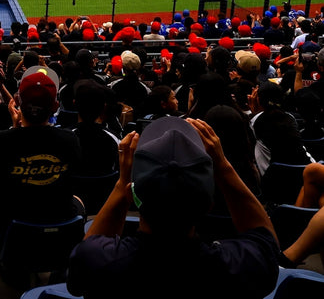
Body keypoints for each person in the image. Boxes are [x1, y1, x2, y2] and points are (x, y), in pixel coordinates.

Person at [67, 119, 280, 298]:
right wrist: (223, 166)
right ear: (209, 203)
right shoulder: (241, 267)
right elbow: (265, 240)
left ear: (132, 197)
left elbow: (83, 264)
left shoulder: (98, 262)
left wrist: (123, 183)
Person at [0, 66, 81, 274]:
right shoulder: (71, 139)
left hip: (9, 218)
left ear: (18, 104)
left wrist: (15, 130)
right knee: (78, 201)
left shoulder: (1, 139)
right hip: (57, 214)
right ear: (55, 106)